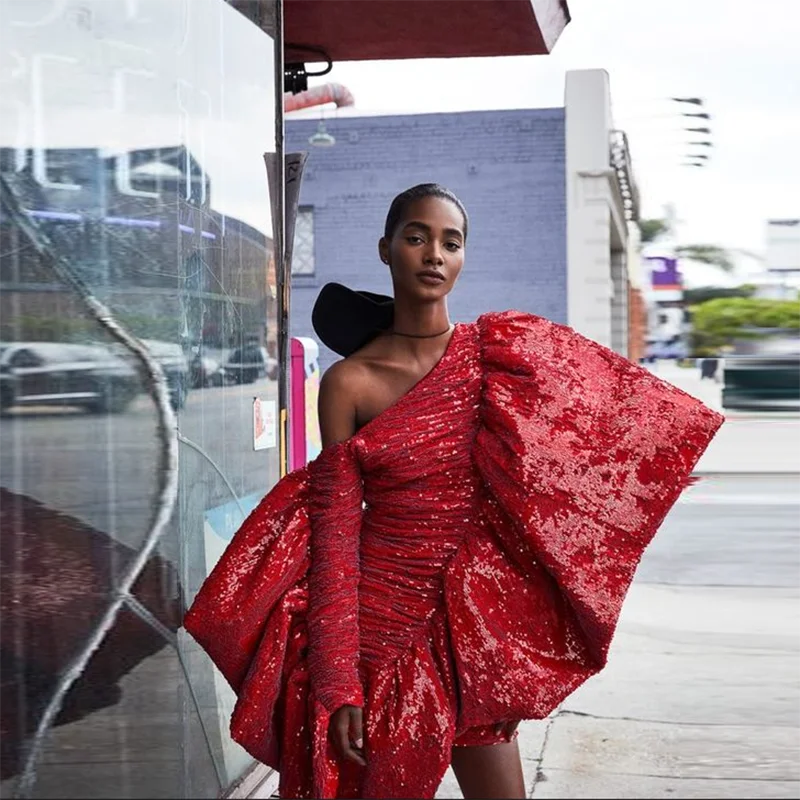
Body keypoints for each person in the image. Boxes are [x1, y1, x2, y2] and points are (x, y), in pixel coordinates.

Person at [184, 184, 723, 799]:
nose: (434, 255)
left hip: (472, 626)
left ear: (464, 256)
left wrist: (514, 646)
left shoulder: (501, 356)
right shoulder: (348, 383)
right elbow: (334, 536)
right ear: (386, 250)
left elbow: (588, 456)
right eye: (416, 237)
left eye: (451, 242)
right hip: (379, 634)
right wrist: (337, 681)